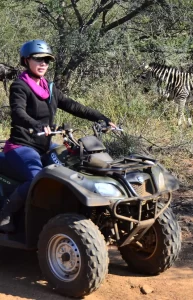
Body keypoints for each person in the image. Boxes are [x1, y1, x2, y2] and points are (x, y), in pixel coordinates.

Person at [0, 39, 117, 233]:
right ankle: (5, 215)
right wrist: (37, 124)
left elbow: (73, 106)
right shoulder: (20, 86)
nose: (43, 63)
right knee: (37, 179)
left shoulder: (50, 88)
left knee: (74, 166)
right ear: (26, 60)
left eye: (46, 59)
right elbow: (18, 112)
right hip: (21, 147)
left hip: (45, 146)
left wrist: (101, 117)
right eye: (38, 59)